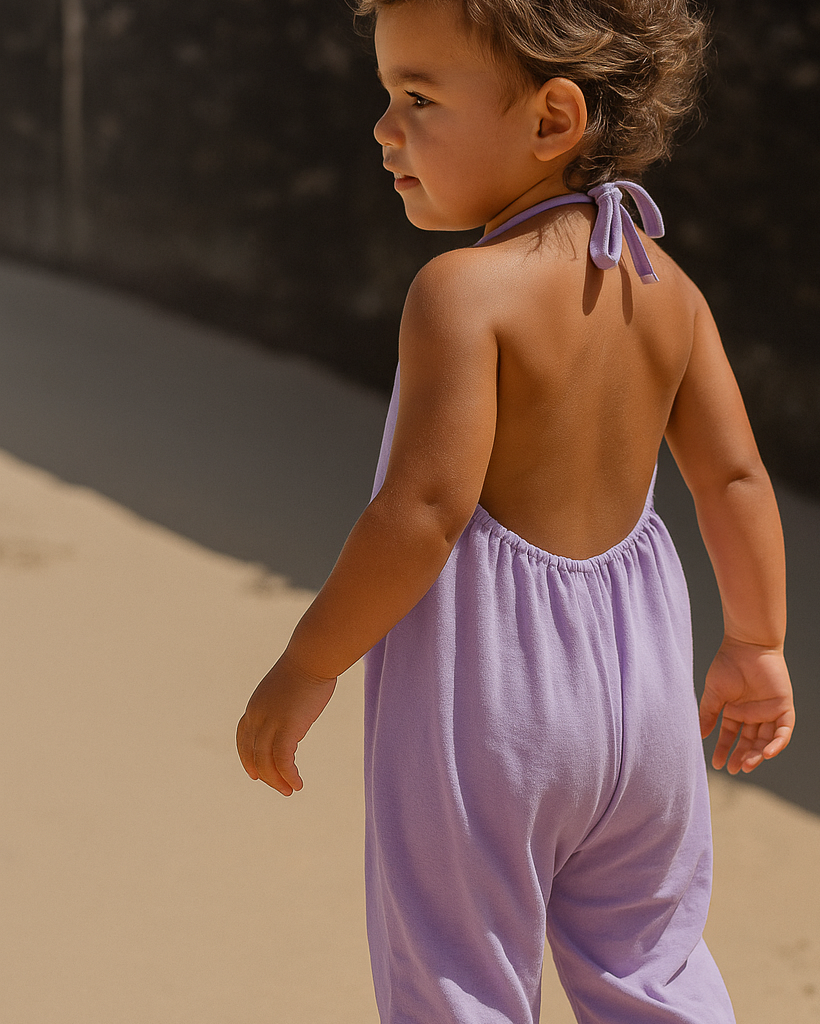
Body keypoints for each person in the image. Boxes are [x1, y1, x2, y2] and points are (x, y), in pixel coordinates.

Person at [237, 0, 795, 1020]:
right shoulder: (667, 285)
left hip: (492, 709)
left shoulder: (461, 293)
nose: (382, 126)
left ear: (550, 120)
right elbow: (735, 480)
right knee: (648, 963)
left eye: (416, 96)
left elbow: (423, 511)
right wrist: (755, 645)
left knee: (457, 969)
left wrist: (308, 663)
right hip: (646, 704)